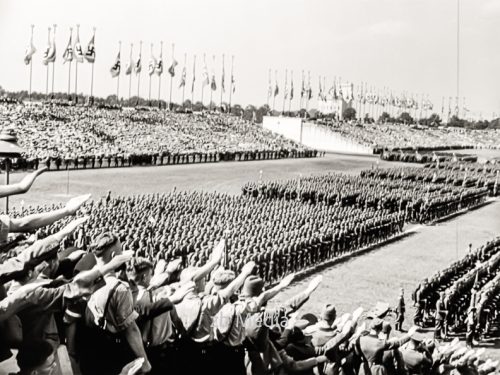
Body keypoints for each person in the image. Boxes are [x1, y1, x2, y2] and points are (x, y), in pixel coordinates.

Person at [79, 232, 152, 375]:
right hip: (112, 354)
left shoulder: (82, 280)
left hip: (88, 351)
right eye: (120, 251)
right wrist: (144, 361)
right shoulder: (120, 288)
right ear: (113, 257)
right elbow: (131, 330)